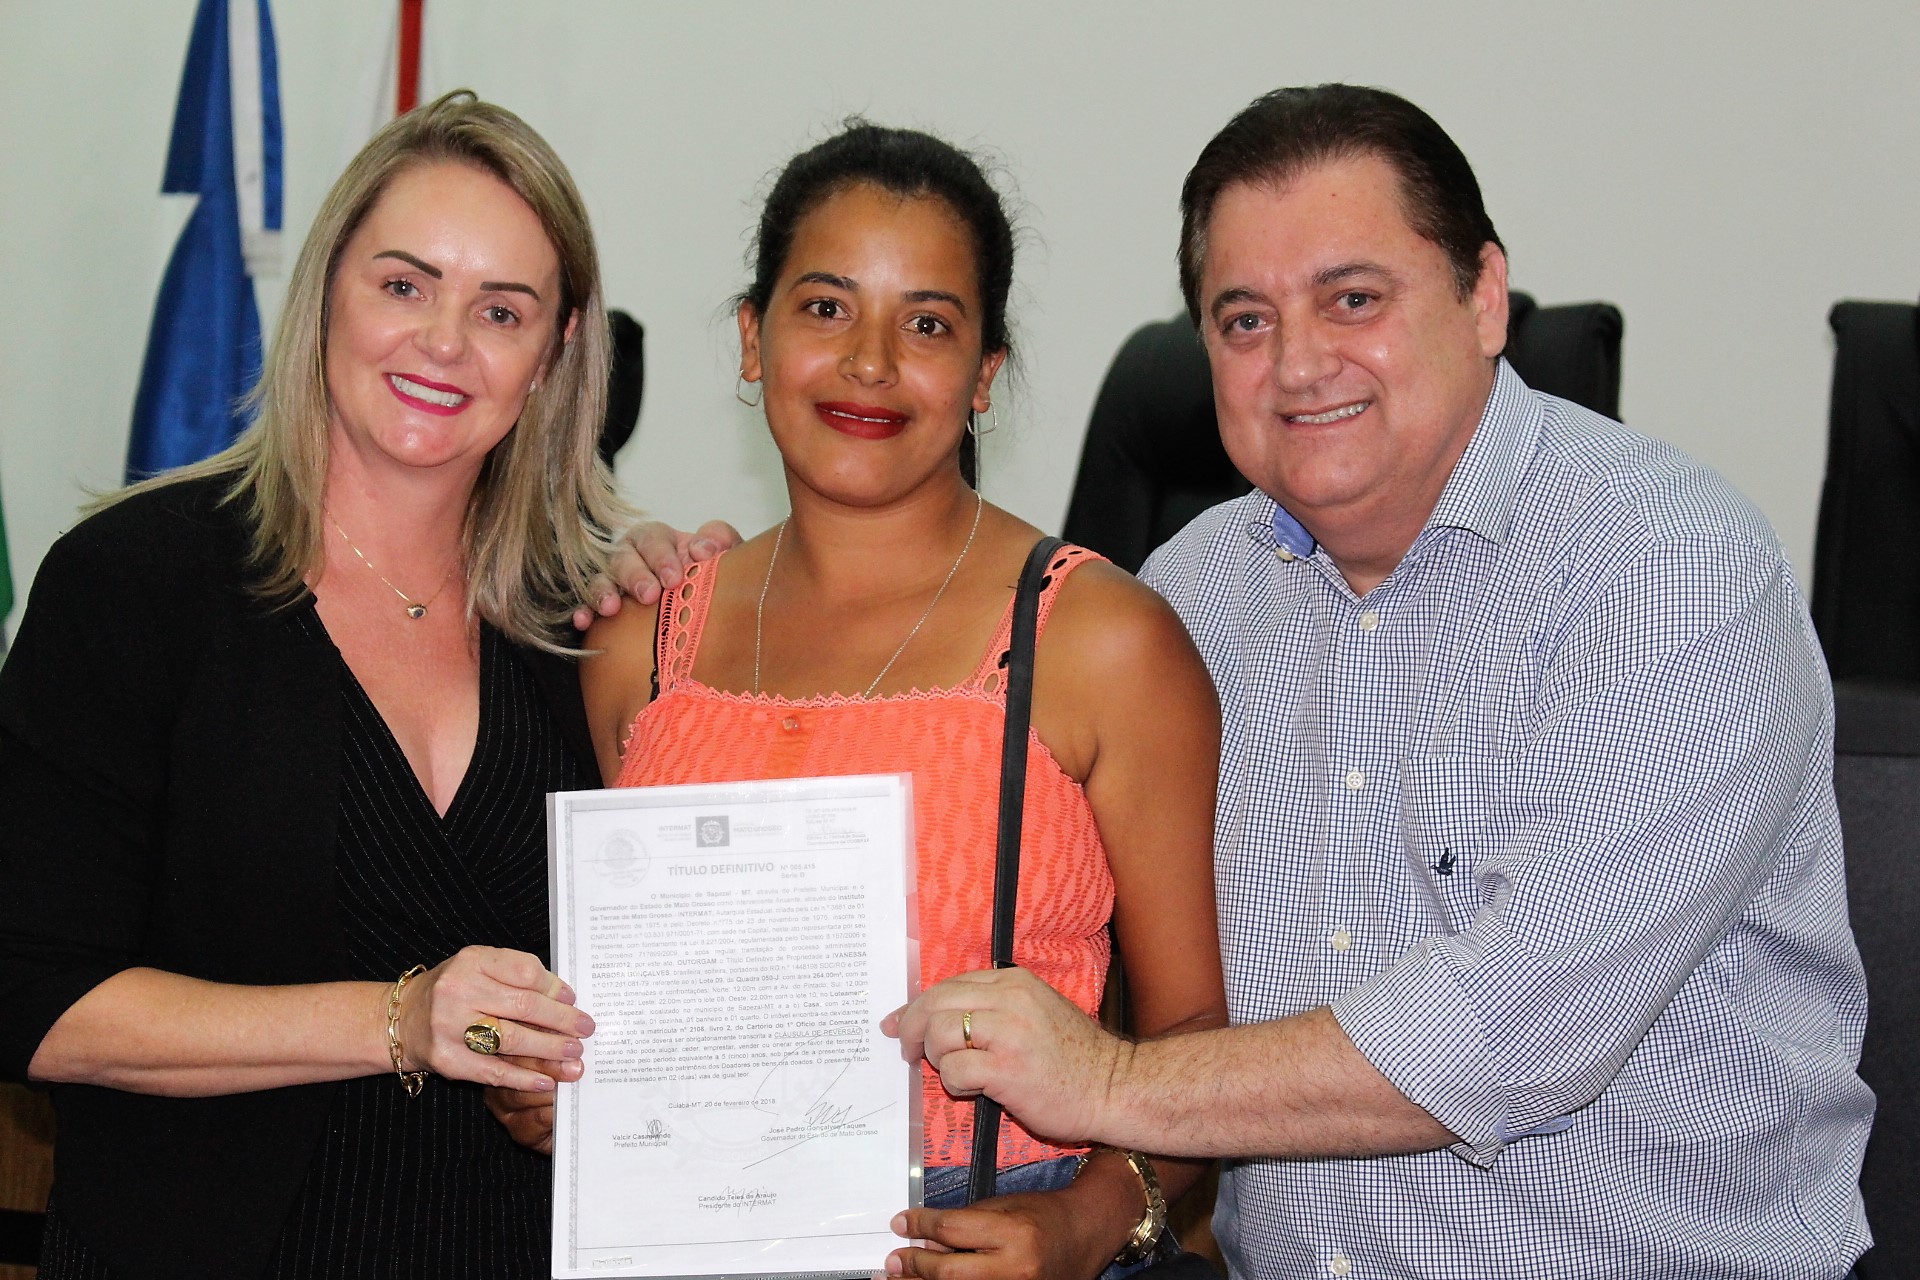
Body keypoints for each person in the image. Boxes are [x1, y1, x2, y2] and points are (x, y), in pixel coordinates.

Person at [878, 84, 1871, 1279]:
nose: (1299, 364)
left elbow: (1506, 1034)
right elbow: (991, 861)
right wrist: (719, 614)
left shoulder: (1671, 570)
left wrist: (1105, 1080)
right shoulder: (1186, 597)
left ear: (1484, 295)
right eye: (1244, 320)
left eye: (1353, 299)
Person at [494, 121, 1229, 1280]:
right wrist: (565, 1090)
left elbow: (1195, 1037)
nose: (871, 362)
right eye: (826, 307)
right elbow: (628, 1003)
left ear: (985, 373)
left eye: (927, 323)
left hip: (993, 1234)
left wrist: (1084, 1224)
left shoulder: (1101, 640)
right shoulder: (637, 641)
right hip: (697, 1242)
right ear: (754, 337)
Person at [0, 92, 620, 1278]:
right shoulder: (136, 581)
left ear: (554, 353)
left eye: (501, 310)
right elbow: (27, 992)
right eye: (405, 284)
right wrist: (398, 1017)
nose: (444, 341)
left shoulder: (586, 629)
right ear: (327, 288)